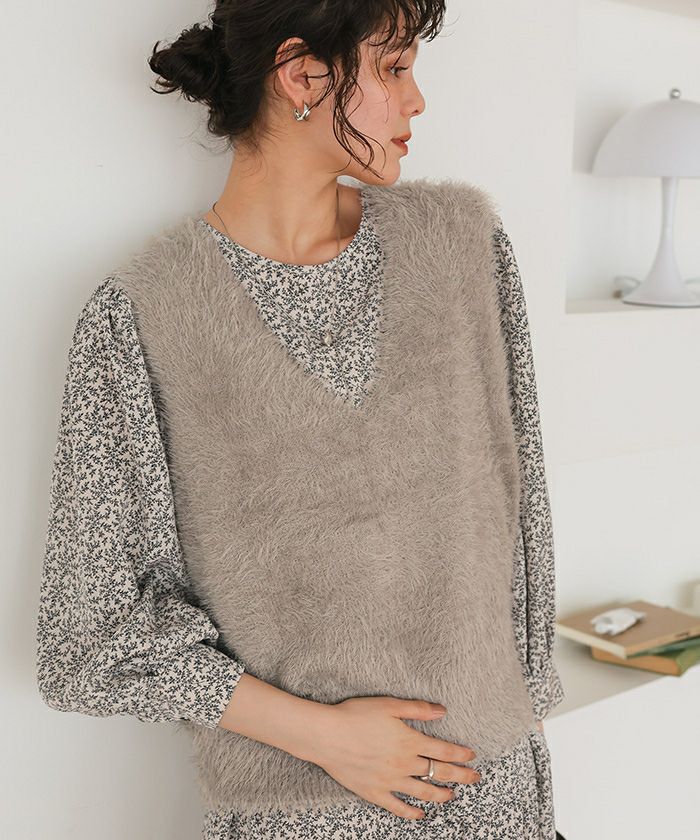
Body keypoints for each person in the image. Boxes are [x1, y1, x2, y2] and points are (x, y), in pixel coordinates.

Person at [35, 1, 564, 838]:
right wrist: (326, 737)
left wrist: (522, 755)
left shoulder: (463, 245)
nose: (418, 100)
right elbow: (84, 644)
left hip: (492, 798)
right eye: (394, 68)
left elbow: (521, 511)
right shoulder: (144, 316)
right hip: (298, 817)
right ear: (301, 73)